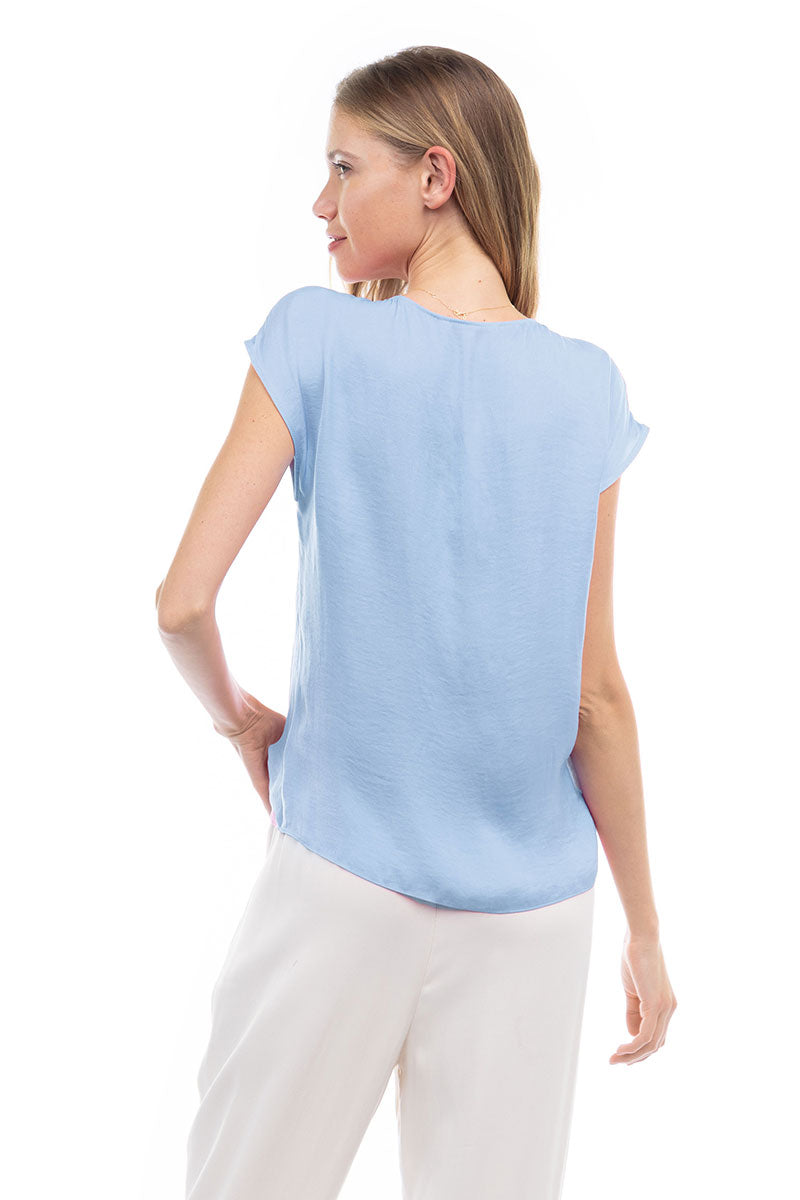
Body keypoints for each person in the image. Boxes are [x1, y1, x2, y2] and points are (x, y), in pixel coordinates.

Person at [156, 44, 677, 1200]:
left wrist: (238, 723)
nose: (320, 202)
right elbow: (594, 695)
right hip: (534, 913)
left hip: (339, 877)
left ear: (434, 176)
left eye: (344, 168)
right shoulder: (587, 388)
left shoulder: (314, 336)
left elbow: (182, 602)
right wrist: (643, 932)